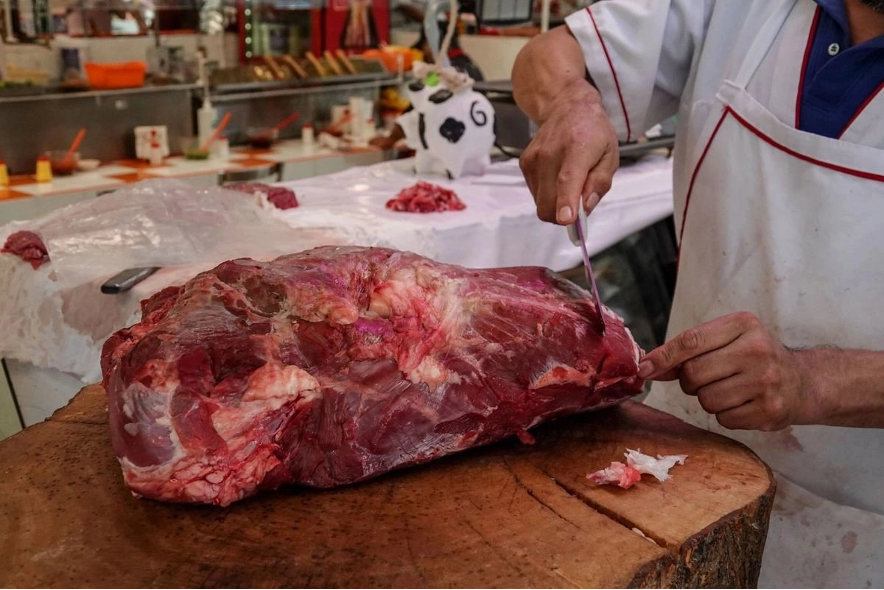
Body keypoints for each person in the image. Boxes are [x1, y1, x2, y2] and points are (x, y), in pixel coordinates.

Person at [512, 1, 884, 587]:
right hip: (675, 471)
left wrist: (814, 381)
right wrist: (572, 102)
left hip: (864, 535)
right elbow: (548, 54)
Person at [371, 15, 484, 151]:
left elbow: (420, 105)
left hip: (450, 148)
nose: (424, 51)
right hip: (475, 146)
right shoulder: (470, 65)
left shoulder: (443, 72)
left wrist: (391, 139)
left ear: (433, 44)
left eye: (425, 45)